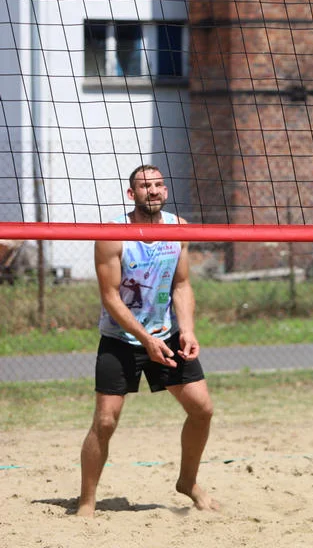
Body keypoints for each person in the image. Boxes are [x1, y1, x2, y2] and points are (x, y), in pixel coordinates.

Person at [77, 165, 216, 518]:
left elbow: (182, 284)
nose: (152, 191)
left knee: (202, 409)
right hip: (121, 339)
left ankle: (188, 482)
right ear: (131, 194)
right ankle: (86, 502)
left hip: (166, 335)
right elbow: (110, 297)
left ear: (165, 192)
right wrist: (144, 340)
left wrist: (187, 329)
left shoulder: (178, 229)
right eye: (144, 186)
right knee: (105, 421)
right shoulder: (113, 234)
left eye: (157, 185)